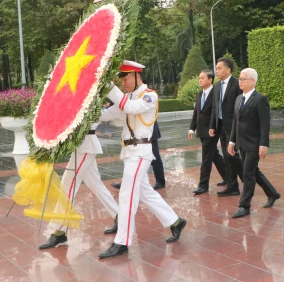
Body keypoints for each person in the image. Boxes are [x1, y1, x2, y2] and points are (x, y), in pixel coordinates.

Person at [97, 60, 186, 259]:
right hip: (130, 152)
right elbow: (108, 114)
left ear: (137, 76)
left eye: (126, 79)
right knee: (145, 192)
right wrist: (87, 113)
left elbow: (129, 108)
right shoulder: (128, 97)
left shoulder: (149, 96)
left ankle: (122, 241)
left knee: (127, 194)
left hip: (141, 151)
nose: (123, 84)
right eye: (120, 81)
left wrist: (107, 85)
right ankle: (175, 221)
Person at [38, 123, 119, 249]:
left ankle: (59, 231)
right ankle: (120, 217)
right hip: (81, 145)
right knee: (95, 185)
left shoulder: (89, 102)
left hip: (85, 146)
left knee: (68, 185)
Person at [228, 68, 280, 218]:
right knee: (253, 171)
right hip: (241, 143)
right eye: (240, 79)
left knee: (248, 173)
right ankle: (272, 193)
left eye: (243, 79)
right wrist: (232, 141)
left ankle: (244, 206)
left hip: (254, 143)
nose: (240, 81)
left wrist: (264, 144)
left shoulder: (259, 99)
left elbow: (265, 124)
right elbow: (235, 122)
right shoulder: (239, 98)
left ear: (252, 81)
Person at [209, 57, 243, 196]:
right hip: (221, 126)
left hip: (234, 126)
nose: (216, 70)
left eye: (219, 68)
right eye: (216, 68)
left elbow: (241, 106)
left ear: (228, 70)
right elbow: (215, 107)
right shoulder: (217, 86)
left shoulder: (237, 84)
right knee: (227, 155)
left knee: (233, 156)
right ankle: (232, 186)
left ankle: (249, 178)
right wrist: (213, 125)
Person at [189, 70, 227, 194]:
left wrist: (213, 127)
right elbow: (196, 113)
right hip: (201, 129)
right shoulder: (200, 94)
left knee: (206, 157)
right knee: (214, 155)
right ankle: (228, 177)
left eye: (202, 78)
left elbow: (215, 113)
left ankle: (203, 185)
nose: (199, 80)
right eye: (199, 78)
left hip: (212, 130)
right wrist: (191, 128)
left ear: (210, 80)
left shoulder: (216, 93)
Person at [110, 121, 166, 190]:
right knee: (131, 158)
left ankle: (160, 181)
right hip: (136, 133)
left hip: (148, 132)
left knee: (155, 157)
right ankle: (126, 182)